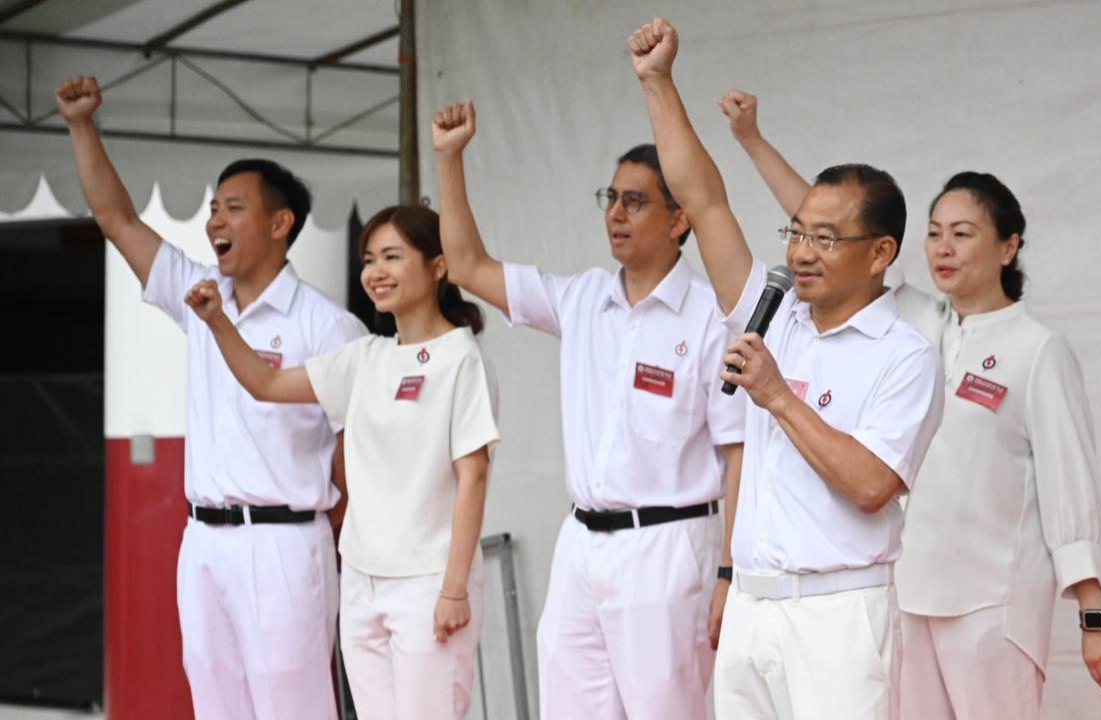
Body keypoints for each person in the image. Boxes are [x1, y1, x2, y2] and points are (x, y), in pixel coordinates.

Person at [719, 89, 1101, 719]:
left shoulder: (1037, 349)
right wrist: (752, 140)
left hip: (993, 600)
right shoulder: (918, 324)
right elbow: (828, 234)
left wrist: (1093, 607)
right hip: (911, 589)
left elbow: (1069, 483)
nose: (942, 247)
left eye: (962, 234)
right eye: (934, 233)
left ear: (1008, 247)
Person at [630, 18, 945, 720]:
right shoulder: (772, 316)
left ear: (880, 253)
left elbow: (870, 485)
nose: (801, 252)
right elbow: (705, 199)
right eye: (797, 232)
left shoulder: (906, 355)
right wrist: (658, 83)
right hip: (751, 605)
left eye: (826, 238)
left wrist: (777, 397)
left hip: (837, 614)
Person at [55, 76, 366, 720]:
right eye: (213, 208)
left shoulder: (326, 324)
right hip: (202, 540)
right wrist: (82, 125)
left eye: (232, 207)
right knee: (216, 707)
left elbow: (357, 442)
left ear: (280, 224)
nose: (214, 222)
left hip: (285, 544)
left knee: (294, 709)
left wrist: (331, 534)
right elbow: (116, 219)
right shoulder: (200, 294)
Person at [430, 99, 746, 720]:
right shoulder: (581, 298)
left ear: (680, 219)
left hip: (668, 543)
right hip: (581, 541)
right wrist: (449, 159)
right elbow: (466, 266)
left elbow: (739, 454)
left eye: (635, 200)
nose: (616, 213)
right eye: (611, 196)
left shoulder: (712, 316)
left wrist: (729, 574)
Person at [184, 204, 499, 720]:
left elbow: (474, 477)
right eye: (369, 259)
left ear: (438, 266)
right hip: (361, 581)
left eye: (392, 257)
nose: (375, 272)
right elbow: (266, 384)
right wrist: (218, 321)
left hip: (428, 583)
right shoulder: (366, 356)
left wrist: (454, 589)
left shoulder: (461, 358)